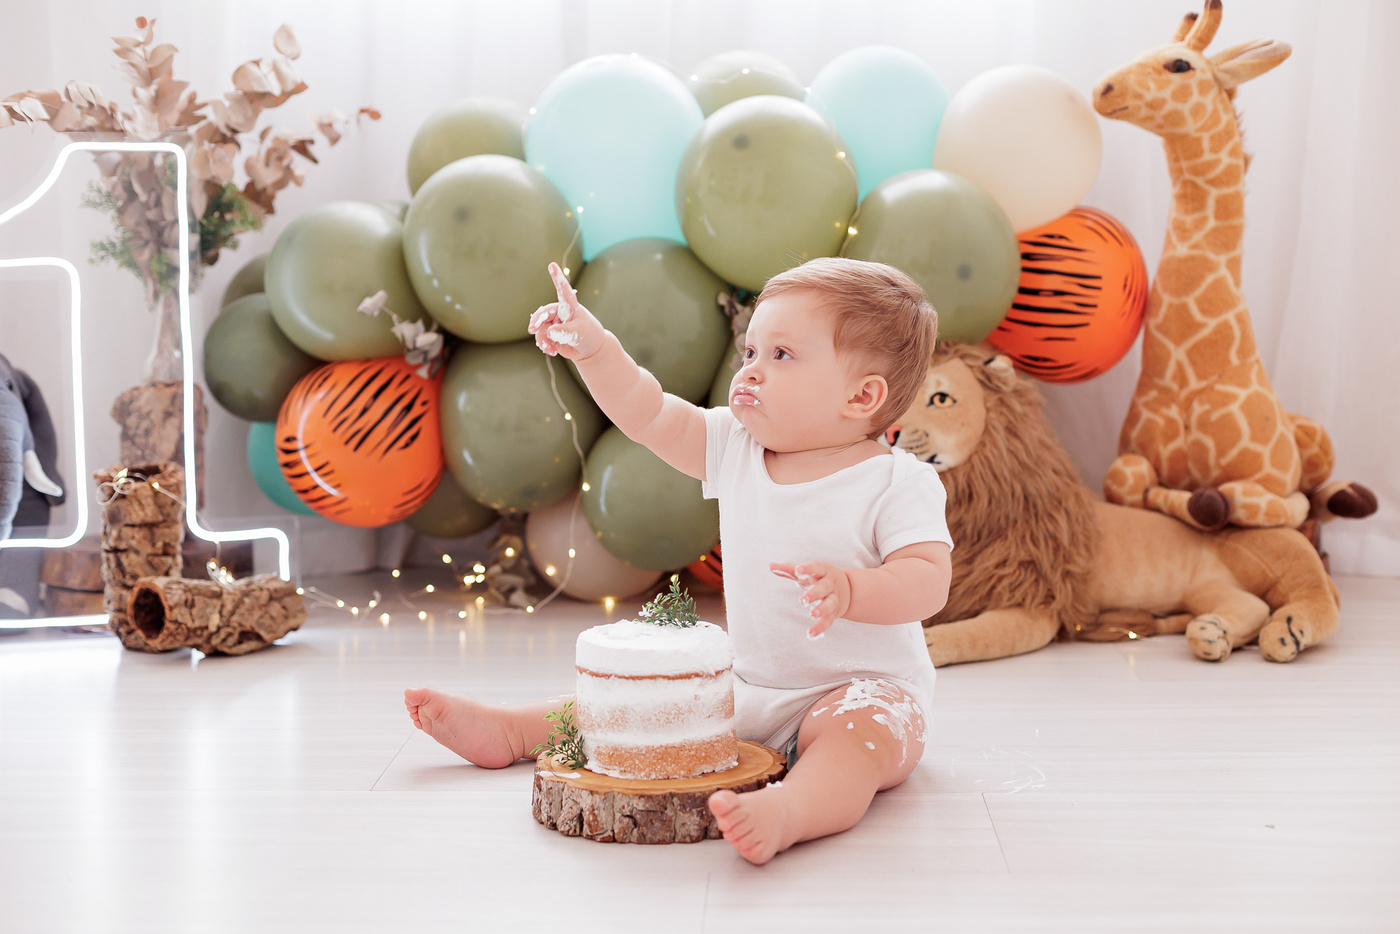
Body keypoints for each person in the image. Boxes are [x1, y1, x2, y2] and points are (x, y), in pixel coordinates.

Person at [405, 256, 952, 865]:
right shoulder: (737, 447)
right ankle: (512, 730)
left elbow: (928, 581)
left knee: (856, 745)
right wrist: (594, 348)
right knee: (640, 707)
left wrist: (852, 590)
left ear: (862, 395)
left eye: (782, 355)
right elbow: (648, 411)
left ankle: (793, 810)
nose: (751, 370)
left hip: (864, 692)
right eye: (750, 352)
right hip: (748, 688)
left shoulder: (896, 482)